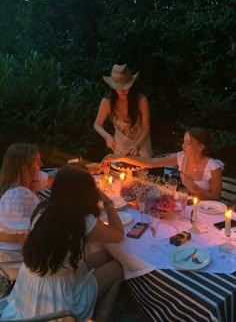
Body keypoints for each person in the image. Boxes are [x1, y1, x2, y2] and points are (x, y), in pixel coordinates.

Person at [1, 164, 124, 321]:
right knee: (117, 266)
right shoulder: (82, 220)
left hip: (29, 286)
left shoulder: (42, 209)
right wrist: (108, 203)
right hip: (57, 299)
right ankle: (101, 316)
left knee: (104, 256)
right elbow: (119, 235)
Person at [104, 127, 223, 200]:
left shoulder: (213, 167)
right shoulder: (182, 157)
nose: (183, 146)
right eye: (184, 142)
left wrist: (194, 187)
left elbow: (215, 199)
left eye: (188, 143)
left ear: (201, 147)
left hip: (207, 213)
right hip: (188, 208)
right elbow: (151, 162)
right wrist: (122, 158)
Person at [94, 63, 152, 157]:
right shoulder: (107, 102)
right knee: (119, 171)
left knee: (142, 171)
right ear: (113, 86)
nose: (124, 90)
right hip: (120, 148)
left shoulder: (141, 100)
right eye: (120, 87)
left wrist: (136, 146)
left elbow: (146, 127)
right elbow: (97, 124)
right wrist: (108, 137)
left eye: (126, 86)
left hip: (141, 146)